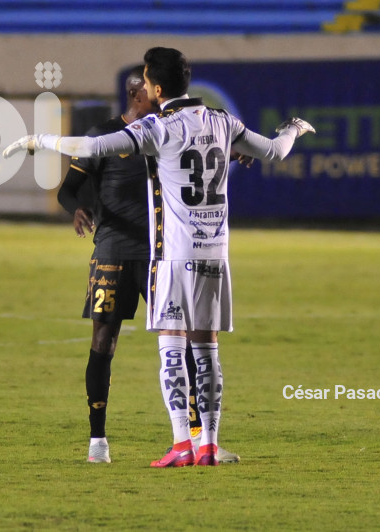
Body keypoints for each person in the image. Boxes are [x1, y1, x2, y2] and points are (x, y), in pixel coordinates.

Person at [4, 47, 314, 467]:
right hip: (215, 254)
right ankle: (207, 444)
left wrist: (37, 140)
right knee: (207, 351)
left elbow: (92, 146)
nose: (143, 87)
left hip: (172, 256)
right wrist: (293, 128)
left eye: (147, 81)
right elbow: (276, 151)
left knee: (172, 349)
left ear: (158, 88)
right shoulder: (223, 121)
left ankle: (182, 444)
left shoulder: (157, 128)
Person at [56, 65, 241, 464]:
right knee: (103, 343)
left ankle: (198, 438)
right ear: (138, 95)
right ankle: (97, 441)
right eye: (154, 97)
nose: (161, 101)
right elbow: (68, 190)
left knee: (190, 344)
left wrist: (234, 148)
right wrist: (79, 209)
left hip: (165, 255)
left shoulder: (167, 131)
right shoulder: (104, 137)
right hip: (113, 252)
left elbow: (205, 149)